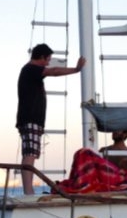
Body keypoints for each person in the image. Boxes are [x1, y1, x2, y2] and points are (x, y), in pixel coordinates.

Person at [16, 43, 86, 194]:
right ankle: (28, 192)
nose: (48, 62)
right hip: (30, 119)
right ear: (41, 57)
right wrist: (76, 70)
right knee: (29, 154)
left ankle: (28, 190)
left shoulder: (29, 71)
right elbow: (53, 71)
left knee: (30, 153)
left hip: (30, 119)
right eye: (47, 59)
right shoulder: (31, 69)